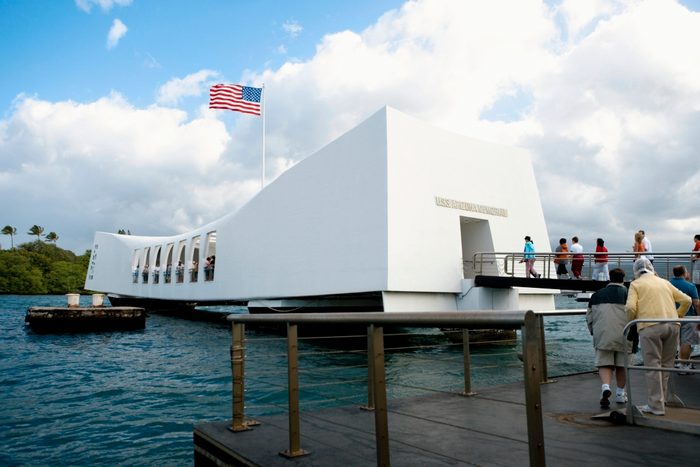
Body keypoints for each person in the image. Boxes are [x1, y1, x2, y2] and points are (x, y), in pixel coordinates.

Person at [625, 258, 691, 415]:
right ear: (651, 268)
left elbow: (630, 307)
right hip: (673, 325)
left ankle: (655, 405)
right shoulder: (664, 282)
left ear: (636, 271)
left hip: (650, 326)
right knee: (666, 365)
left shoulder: (636, 284)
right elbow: (687, 300)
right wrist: (678, 316)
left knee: (652, 366)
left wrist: (630, 323)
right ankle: (660, 401)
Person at [587, 268, 630, 407]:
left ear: (609, 278)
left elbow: (589, 317)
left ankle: (605, 387)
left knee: (605, 363)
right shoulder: (629, 294)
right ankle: (620, 394)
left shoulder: (596, 295)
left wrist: (594, 332)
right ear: (623, 279)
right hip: (625, 335)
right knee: (622, 365)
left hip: (603, 335)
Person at [670, 265, 699, 374]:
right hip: (687, 316)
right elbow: (696, 303)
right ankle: (683, 366)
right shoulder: (690, 287)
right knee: (686, 342)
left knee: (676, 341)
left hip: (671, 316)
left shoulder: (668, 284)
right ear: (684, 273)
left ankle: (678, 362)